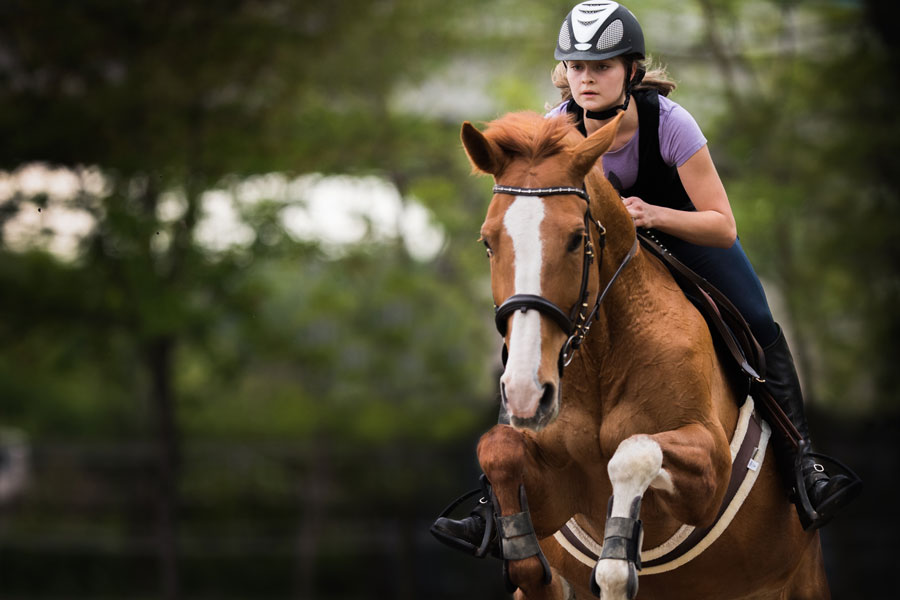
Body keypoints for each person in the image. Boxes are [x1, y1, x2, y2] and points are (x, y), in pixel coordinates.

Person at [431, 1, 860, 554]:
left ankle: (804, 466)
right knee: (530, 327)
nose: (587, 79)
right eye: (577, 67)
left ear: (630, 71)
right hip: (604, 252)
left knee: (757, 318)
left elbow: (722, 225)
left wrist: (654, 214)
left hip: (683, 234)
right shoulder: (556, 129)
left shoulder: (671, 124)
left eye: (602, 67)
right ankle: (494, 503)